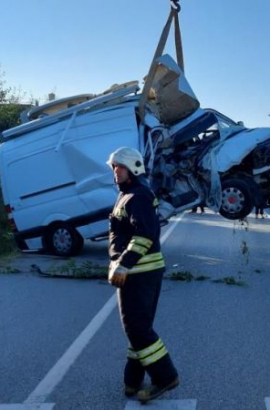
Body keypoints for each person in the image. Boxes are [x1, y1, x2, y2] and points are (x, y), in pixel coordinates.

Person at [106, 147, 179, 404]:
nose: (116, 171)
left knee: (136, 328)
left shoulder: (139, 196)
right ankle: (133, 379)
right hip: (138, 271)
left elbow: (145, 234)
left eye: (120, 167)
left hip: (139, 272)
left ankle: (165, 377)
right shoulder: (127, 195)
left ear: (133, 169)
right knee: (139, 327)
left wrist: (123, 264)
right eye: (114, 166)